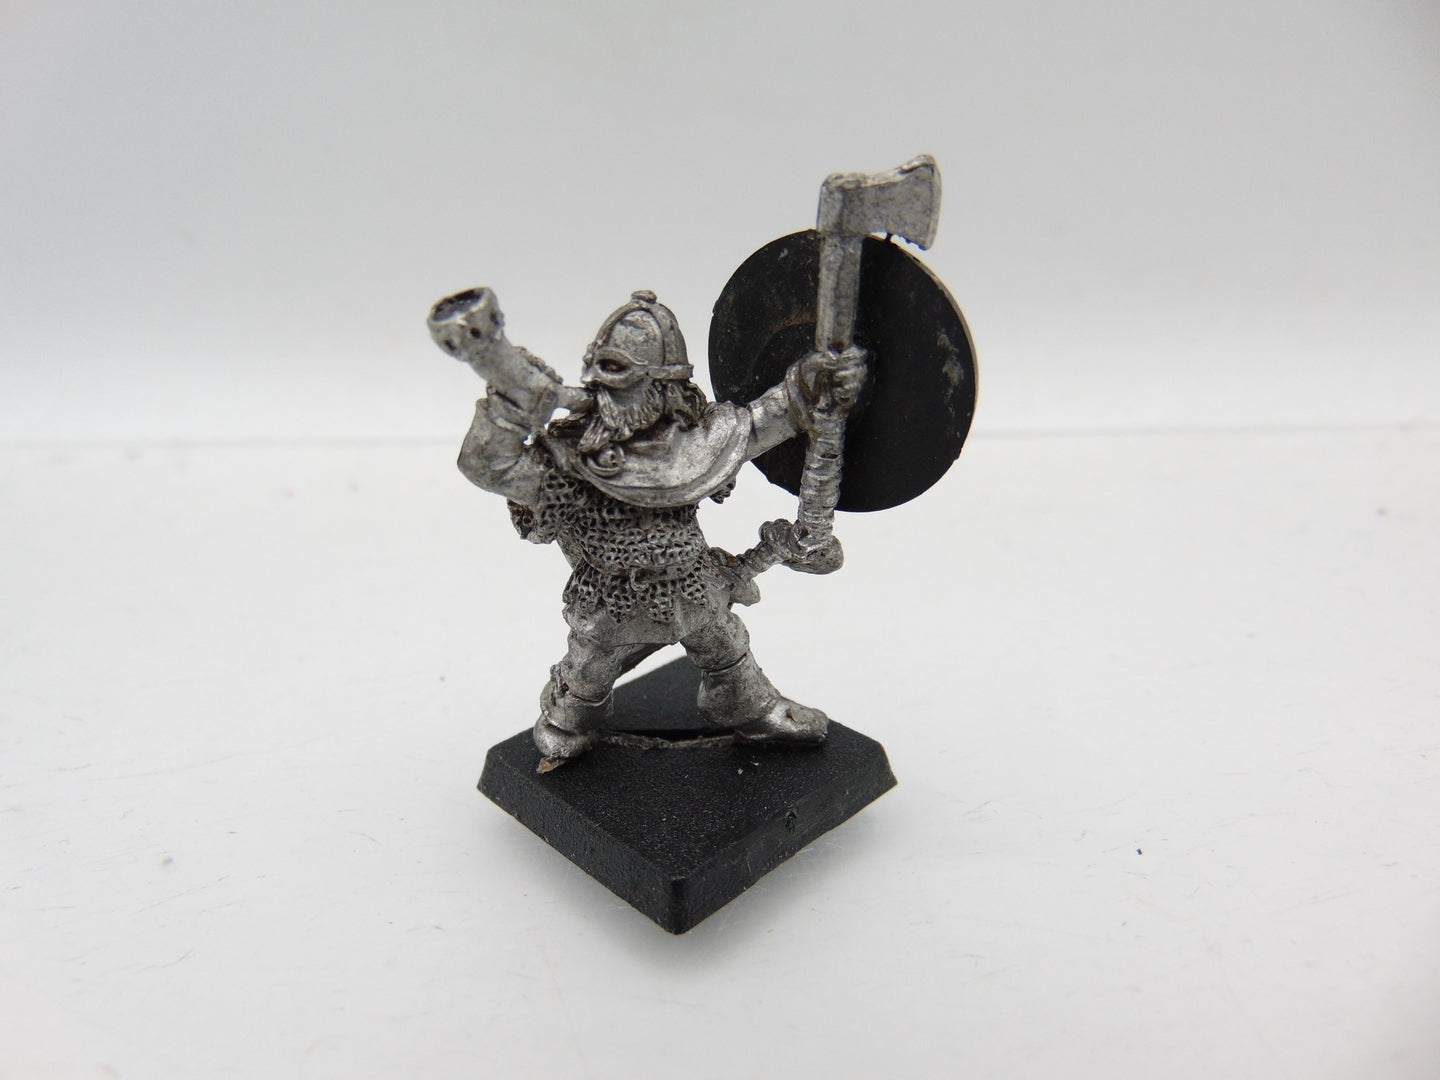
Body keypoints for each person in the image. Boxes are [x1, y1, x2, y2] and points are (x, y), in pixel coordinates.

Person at [454, 289, 862, 762]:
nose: (605, 392)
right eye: (601, 373)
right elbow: (487, 465)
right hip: (611, 592)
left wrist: (815, 383)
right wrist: (509, 409)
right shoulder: (567, 458)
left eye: (621, 375)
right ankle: (571, 717)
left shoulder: (698, 443)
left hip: (692, 581)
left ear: (665, 389)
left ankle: (748, 708)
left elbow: (763, 421)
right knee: (591, 665)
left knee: (725, 645)